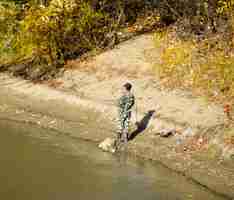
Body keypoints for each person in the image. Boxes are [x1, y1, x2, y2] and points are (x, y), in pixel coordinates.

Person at [116, 82, 135, 147]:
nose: (122, 89)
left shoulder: (125, 95)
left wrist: (119, 104)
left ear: (126, 88)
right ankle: (126, 138)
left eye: (123, 88)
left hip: (123, 112)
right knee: (126, 124)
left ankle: (119, 138)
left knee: (120, 123)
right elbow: (132, 103)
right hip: (128, 112)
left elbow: (122, 103)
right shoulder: (131, 95)